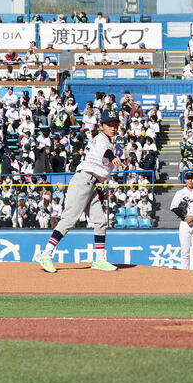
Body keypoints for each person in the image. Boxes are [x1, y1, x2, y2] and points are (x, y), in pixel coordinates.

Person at [32, 109, 122, 272]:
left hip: (91, 183)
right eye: (109, 125)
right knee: (69, 220)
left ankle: (100, 260)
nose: (113, 128)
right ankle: (45, 254)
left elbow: (99, 163)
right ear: (101, 126)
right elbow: (106, 153)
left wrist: (98, 185)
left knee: (100, 221)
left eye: (115, 124)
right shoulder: (101, 139)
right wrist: (114, 157)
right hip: (83, 181)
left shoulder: (106, 140)